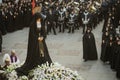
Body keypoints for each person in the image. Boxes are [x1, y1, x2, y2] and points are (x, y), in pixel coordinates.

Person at [16, 7, 52, 76]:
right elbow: (32, 35)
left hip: (41, 41)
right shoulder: (32, 24)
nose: (39, 19)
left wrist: (43, 37)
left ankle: (43, 62)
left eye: (40, 18)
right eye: (39, 18)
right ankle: (36, 63)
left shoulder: (41, 23)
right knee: (36, 53)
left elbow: (43, 32)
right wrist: (37, 38)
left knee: (43, 53)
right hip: (35, 42)